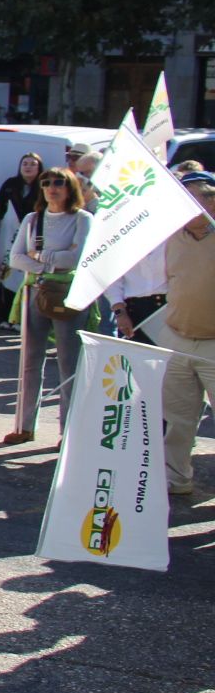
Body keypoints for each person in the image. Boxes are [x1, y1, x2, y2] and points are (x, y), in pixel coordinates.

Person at [3, 167, 93, 444]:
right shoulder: (32, 219)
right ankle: (25, 425)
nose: (52, 187)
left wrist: (41, 257)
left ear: (71, 187)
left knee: (68, 363)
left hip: (67, 296)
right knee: (30, 361)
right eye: (46, 183)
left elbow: (77, 258)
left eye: (59, 182)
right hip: (34, 292)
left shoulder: (82, 218)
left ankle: (69, 433)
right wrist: (51, 261)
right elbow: (16, 259)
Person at [153, 172, 215, 499]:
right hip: (176, 336)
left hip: (213, 343)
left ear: (210, 203)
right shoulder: (171, 237)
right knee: (177, 420)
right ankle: (177, 479)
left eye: (189, 200)